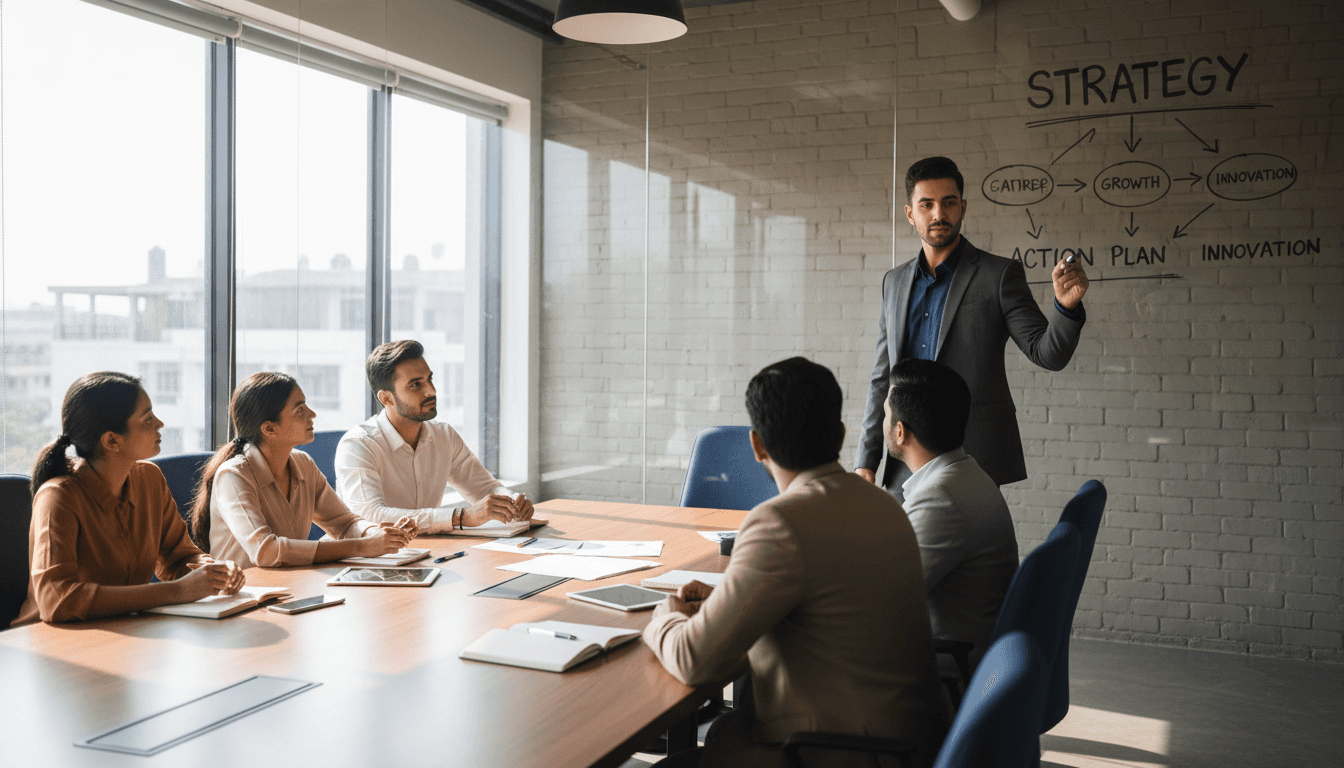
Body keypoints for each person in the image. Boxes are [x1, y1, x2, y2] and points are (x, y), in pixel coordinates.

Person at [644, 357, 946, 768]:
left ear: (757, 445)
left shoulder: (779, 522)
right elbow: (829, 600)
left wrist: (665, 613)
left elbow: (695, 661)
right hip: (903, 741)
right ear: (841, 434)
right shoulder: (885, 504)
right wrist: (726, 600)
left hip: (830, 752)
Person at [857, 156, 1089, 493]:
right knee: (899, 547)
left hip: (970, 459)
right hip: (902, 463)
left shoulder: (998, 275)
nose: (939, 214)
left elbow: (1047, 354)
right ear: (910, 213)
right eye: (927, 204)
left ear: (962, 207)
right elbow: (882, 377)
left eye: (948, 203)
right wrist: (866, 459)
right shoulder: (893, 282)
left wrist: (1065, 309)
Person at [13, 372, 244, 627]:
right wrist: (176, 592)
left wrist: (213, 572)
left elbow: (180, 558)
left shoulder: (149, 479)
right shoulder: (58, 497)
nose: (160, 423)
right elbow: (57, 600)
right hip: (54, 645)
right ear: (112, 440)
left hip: (123, 632)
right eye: (147, 419)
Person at [192, 372, 417, 569]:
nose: (312, 414)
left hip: (289, 589)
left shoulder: (302, 464)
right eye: (300, 410)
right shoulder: (234, 476)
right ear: (269, 428)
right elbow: (266, 551)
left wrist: (376, 534)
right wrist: (362, 546)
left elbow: (344, 523)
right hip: (242, 600)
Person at [884, 359, 1018, 673]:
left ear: (900, 432)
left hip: (941, 669)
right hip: (969, 652)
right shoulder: (967, 475)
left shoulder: (941, 498)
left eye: (885, 414)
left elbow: (882, 599)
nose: (882, 421)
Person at [334, 340, 532, 534]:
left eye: (430, 379)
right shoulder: (358, 445)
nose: (431, 391)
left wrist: (512, 500)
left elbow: (484, 488)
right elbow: (370, 514)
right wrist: (461, 517)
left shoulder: (443, 435)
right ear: (386, 398)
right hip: (370, 560)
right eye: (415, 385)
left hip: (429, 552)